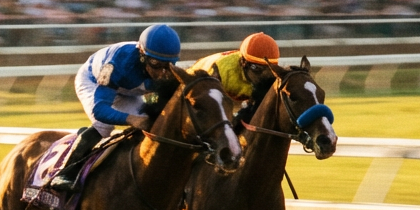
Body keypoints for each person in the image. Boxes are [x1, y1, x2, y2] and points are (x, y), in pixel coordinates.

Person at [48, 23, 182, 194]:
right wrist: (131, 119)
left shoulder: (165, 69)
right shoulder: (118, 64)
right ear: (142, 55)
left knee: (153, 122)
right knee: (104, 126)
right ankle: (65, 172)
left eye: (168, 65)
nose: (162, 73)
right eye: (156, 64)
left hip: (129, 89)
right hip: (94, 82)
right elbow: (100, 110)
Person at [190, 32, 279, 125]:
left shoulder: (271, 76)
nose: (263, 75)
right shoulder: (220, 72)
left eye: (269, 69)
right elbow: (207, 109)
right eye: (257, 69)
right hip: (200, 86)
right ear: (243, 62)